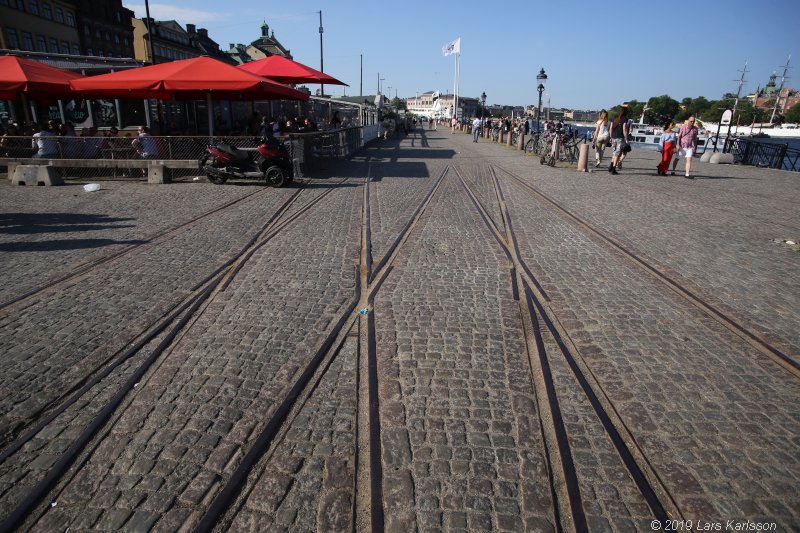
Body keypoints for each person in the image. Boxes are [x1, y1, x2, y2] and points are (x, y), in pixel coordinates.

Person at [608, 106, 629, 175]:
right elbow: (624, 130)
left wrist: (610, 137)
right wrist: (626, 139)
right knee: (618, 153)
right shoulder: (625, 119)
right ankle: (613, 169)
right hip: (620, 138)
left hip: (613, 137)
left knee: (614, 152)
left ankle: (611, 166)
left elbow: (610, 128)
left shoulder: (614, 118)